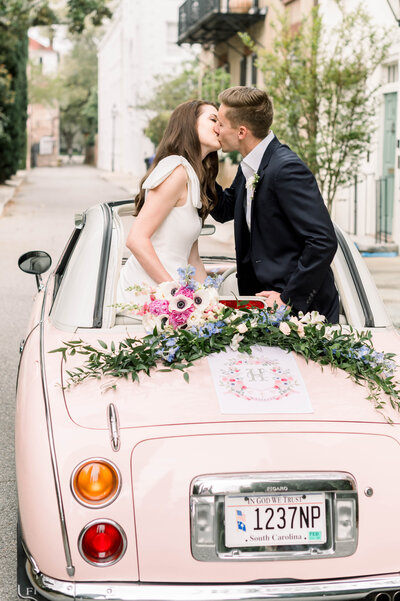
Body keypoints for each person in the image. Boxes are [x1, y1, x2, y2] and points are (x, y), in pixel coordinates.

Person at [212, 86, 339, 323]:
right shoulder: (251, 165)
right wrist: (202, 163)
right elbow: (224, 210)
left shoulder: (286, 168)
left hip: (303, 312)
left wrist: (288, 298)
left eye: (220, 123)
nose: (215, 129)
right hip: (261, 304)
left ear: (241, 131)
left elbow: (323, 241)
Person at [116, 100, 220, 306]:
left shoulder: (193, 177)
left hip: (174, 299)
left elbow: (193, 260)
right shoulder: (176, 170)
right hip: (148, 297)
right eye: (213, 119)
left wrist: (212, 304)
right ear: (190, 124)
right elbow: (136, 239)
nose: (220, 126)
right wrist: (176, 294)